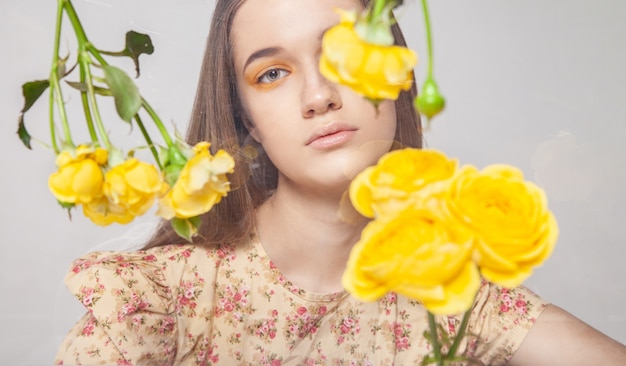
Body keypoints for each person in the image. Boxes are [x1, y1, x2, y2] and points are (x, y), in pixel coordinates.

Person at [55, 0, 626, 364]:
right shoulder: (157, 302)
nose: (319, 95)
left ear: (397, 75)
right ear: (246, 115)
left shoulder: (456, 298)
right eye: (272, 72)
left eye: (342, 53)